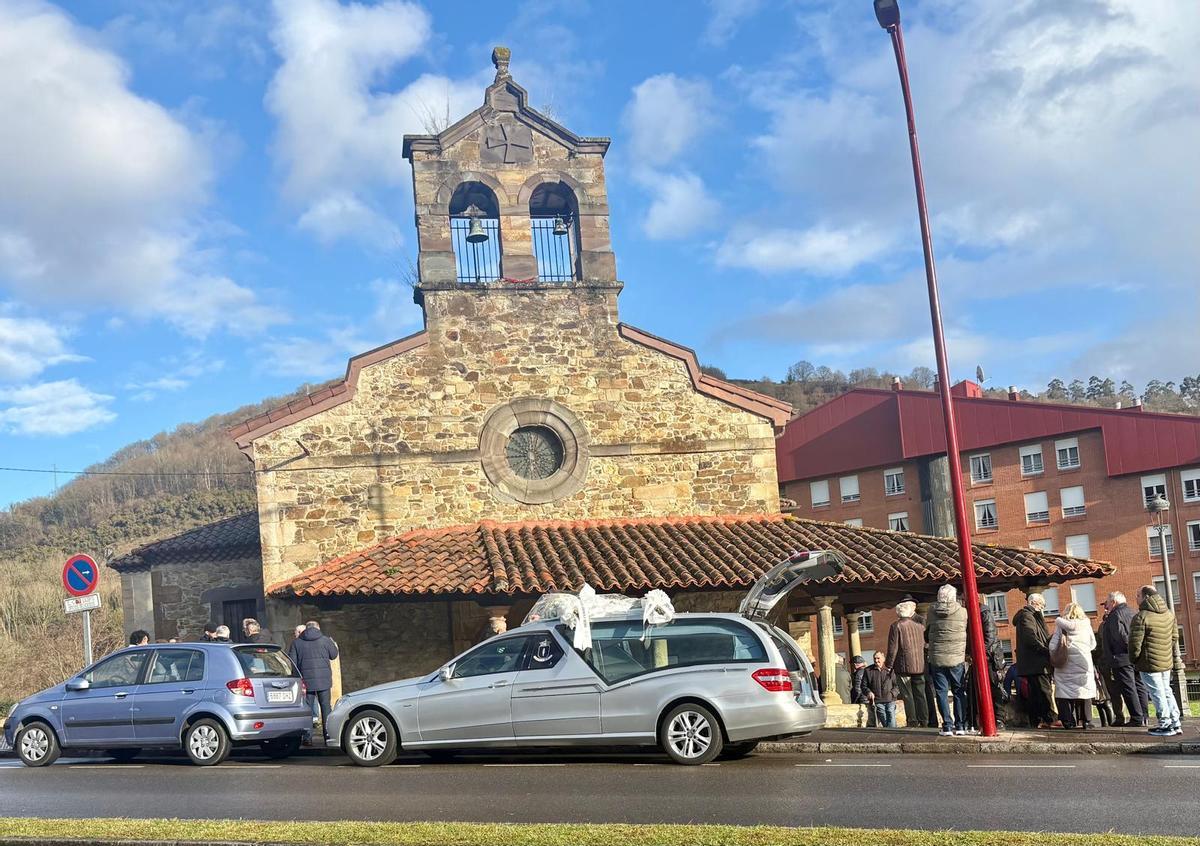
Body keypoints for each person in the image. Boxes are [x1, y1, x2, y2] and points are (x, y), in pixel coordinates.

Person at [1129, 585, 1182, 736]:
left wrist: (1134, 660)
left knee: (1157, 693)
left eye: (1138, 595)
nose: (1136, 598)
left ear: (1145, 597)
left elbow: (1135, 644)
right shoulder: (1169, 614)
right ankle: (1176, 722)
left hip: (1148, 662)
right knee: (1166, 691)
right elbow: (1174, 637)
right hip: (1165, 661)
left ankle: (1165, 724)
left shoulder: (1141, 616)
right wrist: (1165, 652)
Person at [926, 584, 969, 736]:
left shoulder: (931, 612)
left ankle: (947, 726)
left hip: (937, 658)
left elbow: (927, 634)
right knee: (959, 692)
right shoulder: (962, 612)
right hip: (957, 658)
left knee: (941, 693)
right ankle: (961, 725)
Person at [1100, 591, 1147, 727]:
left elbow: (1119, 637)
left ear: (1113, 602)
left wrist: (1125, 650)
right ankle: (1144, 716)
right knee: (1139, 686)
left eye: (1107, 603)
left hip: (1121, 657)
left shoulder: (1115, 615)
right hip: (1136, 657)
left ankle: (1136, 718)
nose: (1106, 607)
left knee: (1128, 688)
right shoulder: (1132, 612)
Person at [288, 620, 340, 741]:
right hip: (324, 680)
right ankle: (328, 736)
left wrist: (297, 678)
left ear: (306, 628)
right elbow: (334, 655)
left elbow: (293, 662)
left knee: (308, 709)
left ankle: (307, 738)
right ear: (318, 628)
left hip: (306, 681)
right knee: (326, 707)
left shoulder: (297, 642)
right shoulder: (325, 640)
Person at [1048, 602, 1097, 729]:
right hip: (1083, 661)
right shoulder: (1086, 625)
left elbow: (1052, 646)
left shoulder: (1061, 625)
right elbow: (1093, 644)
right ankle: (1087, 721)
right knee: (1084, 690)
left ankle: (1068, 721)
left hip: (1065, 663)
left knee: (1065, 692)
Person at [1013, 592, 1058, 728]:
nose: (1043, 609)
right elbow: (1030, 637)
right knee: (1044, 691)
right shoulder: (1028, 616)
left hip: (1031, 662)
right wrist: (1044, 650)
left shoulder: (1027, 616)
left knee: (1036, 692)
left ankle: (1038, 720)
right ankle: (1050, 719)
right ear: (1035, 604)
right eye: (1042, 605)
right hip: (1036, 662)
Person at [886, 597, 929, 728]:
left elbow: (893, 649)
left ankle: (912, 720)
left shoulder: (896, 626)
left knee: (907, 694)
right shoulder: (920, 627)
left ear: (898, 613)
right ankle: (924, 720)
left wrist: (888, 665)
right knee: (921, 694)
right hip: (919, 665)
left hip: (904, 666)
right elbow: (924, 644)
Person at [978, 595, 1007, 731]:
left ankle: (999, 719)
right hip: (986, 655)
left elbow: (990, 637)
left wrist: (977, 652)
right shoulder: (979, 613)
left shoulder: (984, 613)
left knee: (995, 688)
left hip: (990, 658)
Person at [863, 651, 900, 728]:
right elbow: (864, 686)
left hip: (890, 699)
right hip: (878, 701)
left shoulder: (891, 670)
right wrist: (868, 692)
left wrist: (892, 694)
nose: (876, 660)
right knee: (884, 720)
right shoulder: (868, 670)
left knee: (891, 717)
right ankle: (891, 736)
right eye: (874, 658)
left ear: (883, 658)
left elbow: (897, 685)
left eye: (878, 658)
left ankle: (892, 735)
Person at [849, 654, 876, 727]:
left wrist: (853, 701)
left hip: (862, 700)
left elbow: (857, 689)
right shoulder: (868, 671)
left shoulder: (859, 673)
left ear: (855, 664)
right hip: (869, 698)